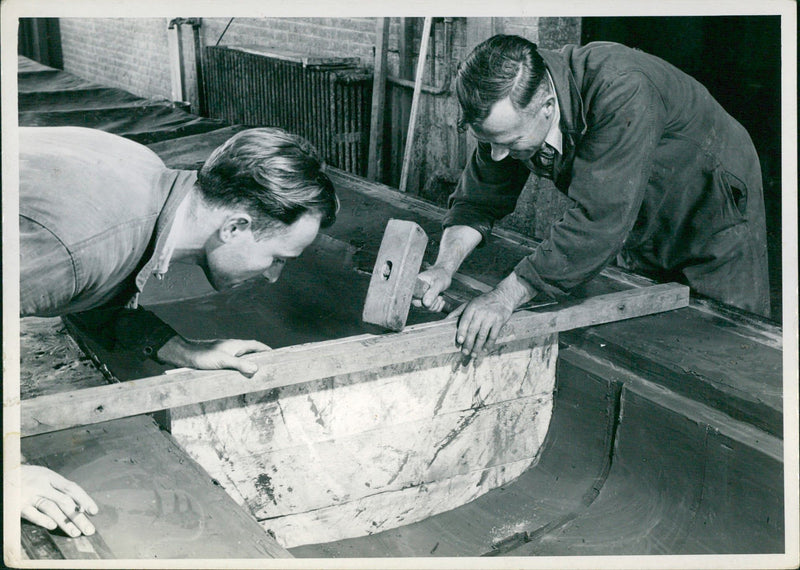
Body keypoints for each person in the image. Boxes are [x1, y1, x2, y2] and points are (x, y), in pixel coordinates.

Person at [19, 125, 338, 537]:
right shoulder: (86, 244)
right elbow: (87, 262)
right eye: (278, 258)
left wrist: (183, 350)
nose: (274, 277)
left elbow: (93, 290)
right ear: (236, 227)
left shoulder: (147, 179)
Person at [416, 35, 770, 358]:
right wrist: (442, 268)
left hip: (712, 205)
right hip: (635, 205)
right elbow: (478, 199)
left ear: (548, 106)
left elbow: (598, 219)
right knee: (642, 338)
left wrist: (504, 297)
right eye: (489, 142)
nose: (497, 155)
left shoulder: (621, 89)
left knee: (727, 346)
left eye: (509, 143)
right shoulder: (511, 112)